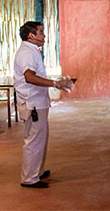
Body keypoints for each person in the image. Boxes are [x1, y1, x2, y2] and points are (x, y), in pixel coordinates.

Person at [14, 21, 74, 188]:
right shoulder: (27, 52)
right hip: (32, 103)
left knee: (40, 138)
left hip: (37, 102)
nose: (44, 35)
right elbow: (29, 77)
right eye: (41, 32)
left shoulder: (32, 50)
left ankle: (37, 171)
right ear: (31, 35)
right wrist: (55, 84)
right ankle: (29, 178)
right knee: (34, 140)